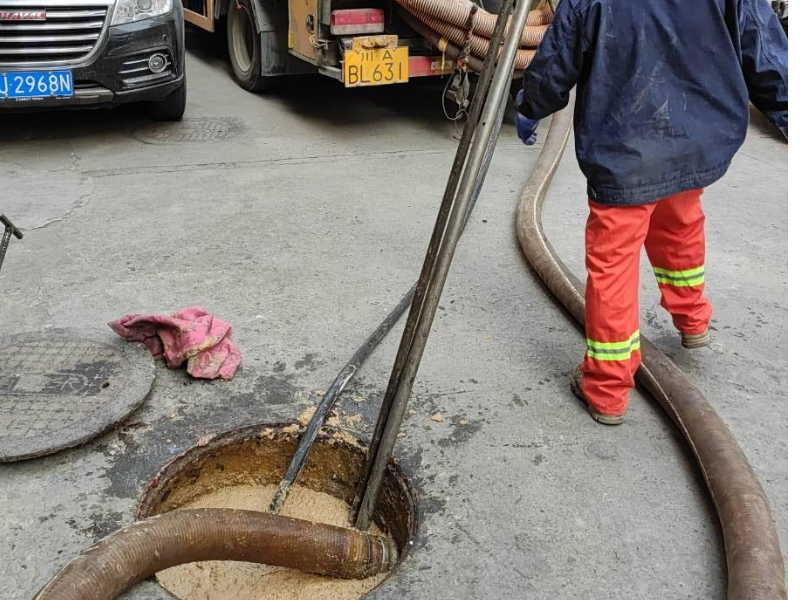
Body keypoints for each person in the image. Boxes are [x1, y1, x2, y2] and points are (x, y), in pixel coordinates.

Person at [514, 0, 788, 425]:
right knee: (680, 226)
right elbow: (764, 50)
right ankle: (693, 321)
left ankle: (605, 390)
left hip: (625, 151)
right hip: (697, 139)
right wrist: (786, 112)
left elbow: (557, 62)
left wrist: (531, 106)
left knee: (614, 264)